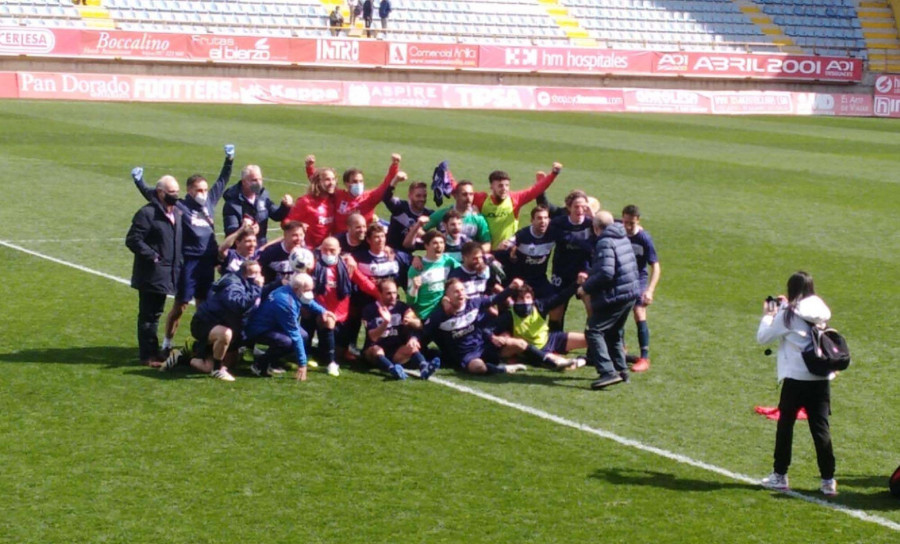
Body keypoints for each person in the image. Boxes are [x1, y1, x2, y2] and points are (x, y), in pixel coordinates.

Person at [130, 145, 234, 354]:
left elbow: (222, 181)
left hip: (207, 264)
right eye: (199, 190)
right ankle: (167, 343)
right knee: (181, 306)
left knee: (205, 306)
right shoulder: (180, 206)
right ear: (189, 191)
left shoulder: (210, 203)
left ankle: (204, 343)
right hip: (189, 264)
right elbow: (155, 196)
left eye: (205, 190)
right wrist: (140, 182)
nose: (204, 194)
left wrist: (229, 160)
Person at [757, 271, 837, 496]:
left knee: (785, 427)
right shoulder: (819, 308)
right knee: (821, 429)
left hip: (796, 378)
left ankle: (780, 475)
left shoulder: (788, 314)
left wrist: (769, 315)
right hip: (820, 377)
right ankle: (828, 480)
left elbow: (763, 337)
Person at [577, 211, 641, 390]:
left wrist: (585, 287)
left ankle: (607, 372)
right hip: (630, 291)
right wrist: (590, 274)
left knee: (594, 330)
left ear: (596, 228)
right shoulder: (621, 236)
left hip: (616, 294)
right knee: (613, 332)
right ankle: (622, 371)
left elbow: (607, 273)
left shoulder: (604, 241)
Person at [169, 260, 263, 381]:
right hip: (206, 324)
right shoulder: (232, 284)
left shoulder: (248, 283)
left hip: (226, 324)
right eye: (256, 273)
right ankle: (216, 370)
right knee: (224, 336)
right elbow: (238, 305)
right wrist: (257, 287)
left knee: (231, 362)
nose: (260, 277)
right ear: (246, 274)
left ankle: (190, 350)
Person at [125, 175, 183, 367]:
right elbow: (133, 239)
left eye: (176, 192)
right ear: (160, 193)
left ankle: (154, 351)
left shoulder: (177, 213)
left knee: (156, 313)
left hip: (168, 272)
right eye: (172, 193)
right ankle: (147, 355)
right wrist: (153, 256)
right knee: (149, 315)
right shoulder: (147, 213)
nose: (175, 196)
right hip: (151, 273)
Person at [420, 278, 527, 375]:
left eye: (462, 290)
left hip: (485, 346)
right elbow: (424, 333)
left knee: (521, 344)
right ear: (447, 297)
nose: (460, 294)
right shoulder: (439, 315)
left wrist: (511, 288)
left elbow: (496, 299)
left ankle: (542, 359)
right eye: (456, 292)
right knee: (478, 367)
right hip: (467, 355)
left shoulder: (474, 303)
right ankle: (503, 369)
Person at [306, 237, 380, 377]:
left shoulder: (347, 266)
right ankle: (330, 363)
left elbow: (363, 282)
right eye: (325, 250)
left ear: (339, 250)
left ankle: (320, 353)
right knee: (318, 318)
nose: (328, 253)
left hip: (342, 315)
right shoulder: (313, 266)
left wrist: (380, 296)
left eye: (332, 250)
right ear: (320, 250)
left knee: (336, 351)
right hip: (320, 313)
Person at [244, 273, 332, 381]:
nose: (309, 293)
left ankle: (275, 361)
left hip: (275, 324)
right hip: (260, 329)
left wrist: (322, 311)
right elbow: (294, 335)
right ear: (296, 289)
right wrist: (302, 365)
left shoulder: (289, 290)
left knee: (303, 335)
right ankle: (260, 364)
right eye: (306, 290)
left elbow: (308, 301)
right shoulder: (286, 303)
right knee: (286, 342)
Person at [457, 163, 562, 250]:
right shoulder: (482, 199)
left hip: (508, 251)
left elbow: (535, 190)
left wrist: (553, 174)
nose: (504, 189)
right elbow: (460, 192)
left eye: (507, 185)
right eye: (500, 185)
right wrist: (445, 173)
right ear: (491, 187)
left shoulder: (515, 199)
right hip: (486, 252)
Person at [493, 277, 588, 371]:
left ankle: (588, 360)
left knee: (589, 339)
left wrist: (577, 284)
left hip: (550, 339)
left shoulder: (539, 306)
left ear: (532, 299)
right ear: (515, 301)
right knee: (564, 365)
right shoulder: (509, 315)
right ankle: (579, 361)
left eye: (528, 298)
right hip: (534, 350)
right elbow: (494, 332)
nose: (525, 302)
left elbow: (560, 298)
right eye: (521, 298)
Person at [362, 278, 440, 380]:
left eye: (395, 293)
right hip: (374, 352)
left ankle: (424, 367)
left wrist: (412, 328)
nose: (393, 296)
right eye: (388, 293)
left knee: (412, 346)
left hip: (395, 350)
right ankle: (392, 370)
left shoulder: (401, 307)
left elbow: (419, 325)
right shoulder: (370, 309)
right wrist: (385, 322)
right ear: (380, 293)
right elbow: (373, 337)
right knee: (377, 350)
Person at [304, 153, 402, 234]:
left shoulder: (370, 197)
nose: (358, 184)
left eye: (361, 181)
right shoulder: (338, 195)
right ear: (347, 183)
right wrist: (310, 167)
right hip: (340, 242)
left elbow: (386, 185)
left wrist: (394, 165)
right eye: (355, 181)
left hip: (362, 242)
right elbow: (320, 183)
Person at [547, 190, 595, 332]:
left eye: (583, 207)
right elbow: (568, 239)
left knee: (592, 308)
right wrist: (590, 247)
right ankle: (555, 343)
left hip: (584, 272)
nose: (580, 210)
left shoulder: (592, 223)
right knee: (557, 309)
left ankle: (592, 345)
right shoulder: (558, 223)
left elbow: (610, 225)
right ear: (568, 207)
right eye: (576, 206)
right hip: (563, 271)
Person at [621, 205, 660, 373]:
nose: (628, 227)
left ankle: (644, 357)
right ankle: (621, 349)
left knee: (639, 313)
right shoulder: (618, 231)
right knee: (619, 313)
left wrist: (649, 290)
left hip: (638, 280)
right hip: (622, 280)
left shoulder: (644, 238)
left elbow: (656, 267)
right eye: (626, 222)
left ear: (638, 221)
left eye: (632, 223)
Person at [222, 164, 292, 246]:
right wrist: (247, 231)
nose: (258, 183)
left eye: (260, 179)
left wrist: (285, 206)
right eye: (254, 180)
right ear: (244, 182)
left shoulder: (262, 196)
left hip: (260, 248)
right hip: (241, 251)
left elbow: (277, 215)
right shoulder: (232, 203)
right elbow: (230, 232)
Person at [422, 180, 491, 253]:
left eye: (471, 194)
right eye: (464, 194)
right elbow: (420, 229)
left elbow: (487, 244)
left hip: (467, 260)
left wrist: (472, 253)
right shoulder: (442, 214)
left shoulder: (478, 218)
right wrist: (431, 241)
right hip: (445, 259)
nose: (468, 198)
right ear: (455, 196)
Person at [406, 229, 460, 320]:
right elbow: (410, 301)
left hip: (443, 311)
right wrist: (414, 288)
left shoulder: (448, 261)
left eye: (442, 242)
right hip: (424, 315)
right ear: (426, 246)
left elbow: (463, 270)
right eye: (435, 243)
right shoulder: (416, 268)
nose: (439, 246)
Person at [507, 205, 555, 300]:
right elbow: (509, 243)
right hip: (521, 280)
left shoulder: (552, 234)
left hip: (540, 280)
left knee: (555, 300)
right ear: (532, 220)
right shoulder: (523, 235)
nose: (543, 221)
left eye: (546, 218)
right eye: (539, 218)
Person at [285, 163, 336, 250]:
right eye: (327, 180)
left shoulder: (335, 199)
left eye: (333, 179)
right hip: (307, 250)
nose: (331, 183)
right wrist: (299, 225)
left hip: (326, 250)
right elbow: (286, 223)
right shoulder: (305, 202)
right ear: (318, 182)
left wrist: (310, 168)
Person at [382, 178, 432, 252]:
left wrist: (424, 236)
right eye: (418, 196)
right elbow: (386, 198)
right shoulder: (400, 207)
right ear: (410, 196)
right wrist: (395, 180)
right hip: (391, 250)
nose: (422, 199)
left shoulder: (428, 214)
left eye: (424, 196)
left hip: (409, 255)